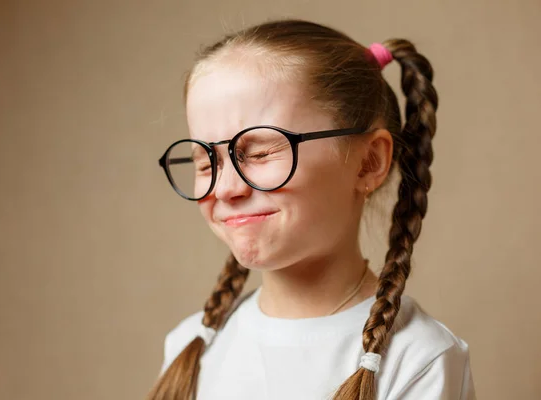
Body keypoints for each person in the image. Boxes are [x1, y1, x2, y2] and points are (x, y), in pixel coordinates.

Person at [150, 19, 475, 400]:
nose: (225, 188)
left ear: (368, 162)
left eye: (260, 152)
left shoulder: (419, 360)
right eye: (207, 163)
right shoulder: (189, 347)